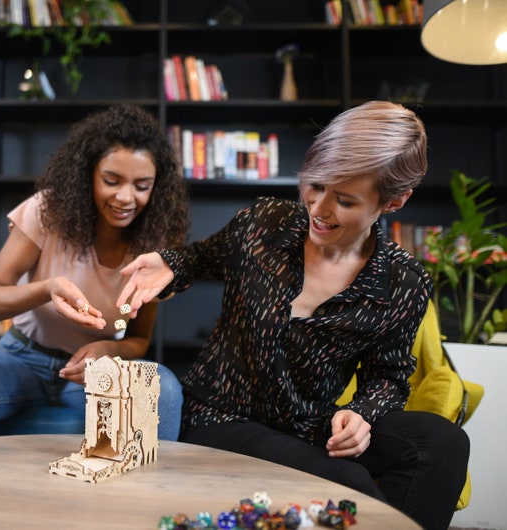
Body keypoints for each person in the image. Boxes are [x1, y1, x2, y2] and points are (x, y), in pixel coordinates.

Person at [117, 101, 469, 530]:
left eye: (344, 200)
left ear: (395, 201)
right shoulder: (263, 222)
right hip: (221, 417)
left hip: (310, 424)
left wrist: (362, 413)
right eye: (315, 185)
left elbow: (389, 376)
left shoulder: (404, 282)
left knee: (443, 443)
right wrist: (170, 263)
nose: (318, 209)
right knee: (348, 484)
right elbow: (198, 258)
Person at [0, 104, 190, 443]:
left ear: (156, 188)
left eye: (142, 186)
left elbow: (139, 339)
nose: (125, 197)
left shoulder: (157, 247)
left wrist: (107, 350)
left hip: (95, 370)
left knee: (164, 388)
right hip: (21, 359)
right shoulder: (48, 211)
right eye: (111, 181)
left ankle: (143, 495)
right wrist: (47, 289)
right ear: (88, 175)